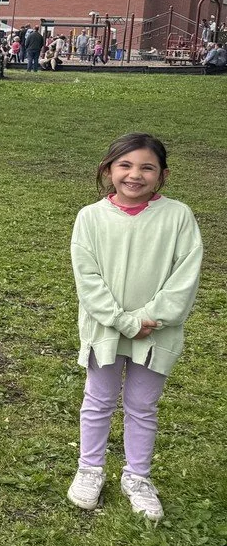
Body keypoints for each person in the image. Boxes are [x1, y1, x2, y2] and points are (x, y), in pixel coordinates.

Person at [65, 135, 202, 521]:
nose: (134, 175)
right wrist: (123, 321)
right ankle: (89, 469)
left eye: (147, 167)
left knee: (142, 406)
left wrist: (149, 319)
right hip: (106, 331)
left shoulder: (178, 217)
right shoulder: (90, 218)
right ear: (108, 170)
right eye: (125, 165)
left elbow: (184, 278)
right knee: (98, 402)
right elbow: (88, 279)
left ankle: (137, 477)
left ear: (162, 175)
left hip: (156, 333)